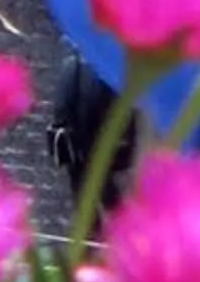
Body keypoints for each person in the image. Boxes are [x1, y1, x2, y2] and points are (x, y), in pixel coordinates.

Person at [47, 46, 135, 212]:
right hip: (98, 151)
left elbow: (62, 109)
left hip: (82, 150)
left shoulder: (76, 62)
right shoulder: (116, 69)